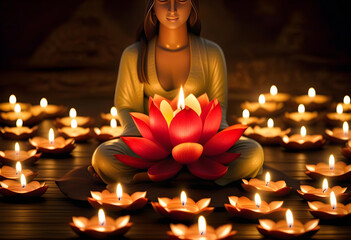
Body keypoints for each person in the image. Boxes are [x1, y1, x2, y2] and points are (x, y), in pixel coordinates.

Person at [90, 0, 263, 186]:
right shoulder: (134, 55)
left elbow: (218, 105)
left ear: (192, 6)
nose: (172, 9)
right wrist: (143, 139)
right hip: (152, 145)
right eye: (164, 1)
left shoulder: (211, 53)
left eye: (181, 1)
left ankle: (151, 178)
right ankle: (198, 178)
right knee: (103, 157)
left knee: (253, 153)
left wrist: (211, 139)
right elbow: (126, 106)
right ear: (152, 8)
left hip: (202, 145)